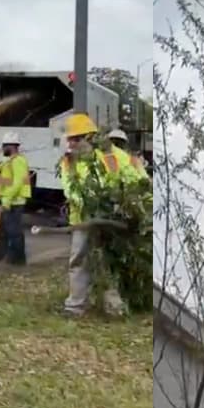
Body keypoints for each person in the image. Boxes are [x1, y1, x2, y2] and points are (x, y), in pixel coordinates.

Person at [58, 113, 142, 316]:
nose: (72, 143)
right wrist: (85, 202)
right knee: (78, 261)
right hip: (82, 220)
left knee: (109, 263)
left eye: (76, 138)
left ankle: (115, 308)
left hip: (110, 219)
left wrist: (124, 201)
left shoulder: (112, 155)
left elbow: (136, 176)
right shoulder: (69, 161)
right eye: (70, 139)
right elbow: (70, 188)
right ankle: (75, 306)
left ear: (89, 137)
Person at [0, 132, 30, 265]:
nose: (2, 149)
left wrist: (6, 201)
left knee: (14, 232)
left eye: (4, 146)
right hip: (11, 201)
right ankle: (13, 258)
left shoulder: (18, 161)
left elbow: (17, 183)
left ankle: (17, 260)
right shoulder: (10, 160)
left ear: (11, 146)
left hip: (15, 201)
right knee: (9, 231)